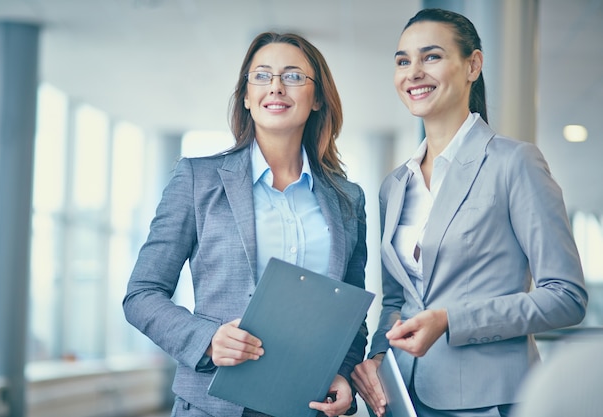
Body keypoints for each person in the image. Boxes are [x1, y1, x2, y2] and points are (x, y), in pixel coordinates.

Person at [351, 8, 588, 417]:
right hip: (404, 398)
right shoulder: (394, 185)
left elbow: (566, 297)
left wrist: (451, 320)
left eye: (432, 57)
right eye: (403, 61)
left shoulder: (515, 163)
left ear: (472, 65)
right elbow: (395, 300)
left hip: (487, 400)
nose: (414, 72)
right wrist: (379, 358)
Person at [123, 31, 368, 417]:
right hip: (212, 404)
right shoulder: (196, 180)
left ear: (317, 97)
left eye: (292, 76)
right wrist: (207, 340)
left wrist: (342, 372)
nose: (276, 87)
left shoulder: (347, 199)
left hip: (308, 405)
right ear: (247, 97)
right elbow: (141, 294)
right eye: (262, 76)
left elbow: (351, 312)